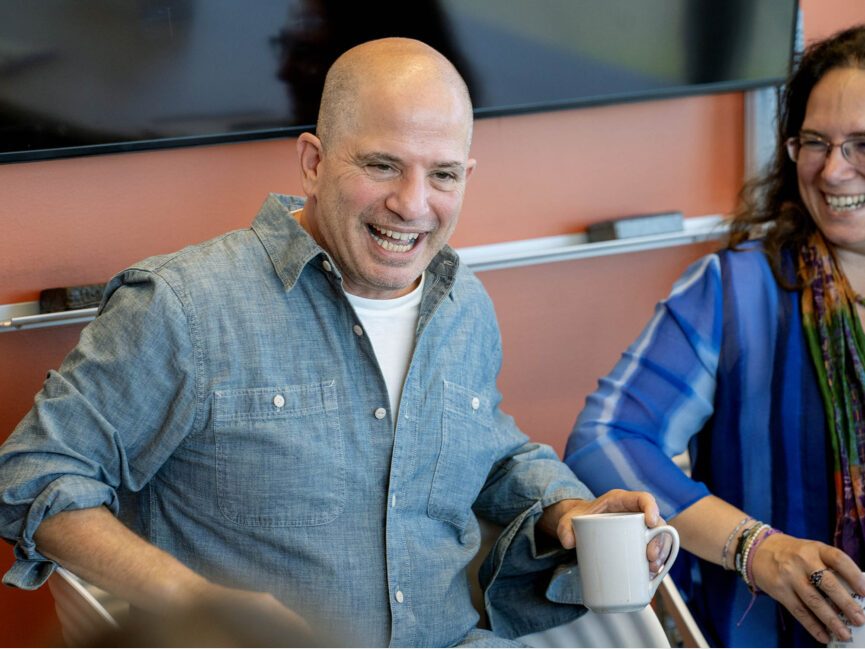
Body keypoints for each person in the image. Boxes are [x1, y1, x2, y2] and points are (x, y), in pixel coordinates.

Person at [0, 38, 664, 647]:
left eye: (442, 175)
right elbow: (32, 473)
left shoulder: (463, 302)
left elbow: (485, 451)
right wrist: (195, 599)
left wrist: (565, 508)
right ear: (313, 162)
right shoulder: (184, 305)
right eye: (381, 165)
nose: (411, 204)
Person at [566, 24, 865, 648]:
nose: (834, 171)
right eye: (815, 142)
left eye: (862, 145)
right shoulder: (735, 290)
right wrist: (756, 548)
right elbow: (605, 439)